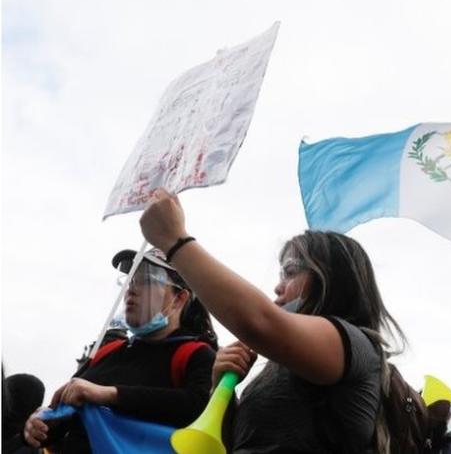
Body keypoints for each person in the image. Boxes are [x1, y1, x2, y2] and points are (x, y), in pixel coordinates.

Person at [139, 188, 409, 453]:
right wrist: (221, 391)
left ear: (332, 281)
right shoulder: (276, 372)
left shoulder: (355, 344)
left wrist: (176, 242)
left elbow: (260, 322)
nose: (278, 288)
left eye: (290, 272)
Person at [22, 248, 217, 453]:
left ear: (179, 299)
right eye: (130, 281)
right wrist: (39, 427)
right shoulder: (107, 352)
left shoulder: (195, 354)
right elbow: (66, 415)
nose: (131, 290)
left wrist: (109, 394)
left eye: (147, 281)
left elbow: (199, 407)